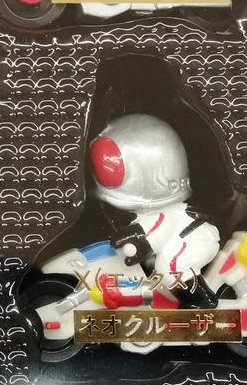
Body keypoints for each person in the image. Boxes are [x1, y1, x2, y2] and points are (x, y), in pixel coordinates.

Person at [88, 113, 221, 307]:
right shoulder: (148, 212)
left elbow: (158, 228)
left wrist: (139, 237)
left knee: (171, 266)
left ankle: (199, 301)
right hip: (182, 236)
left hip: (194, 240)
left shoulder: (165, 214)